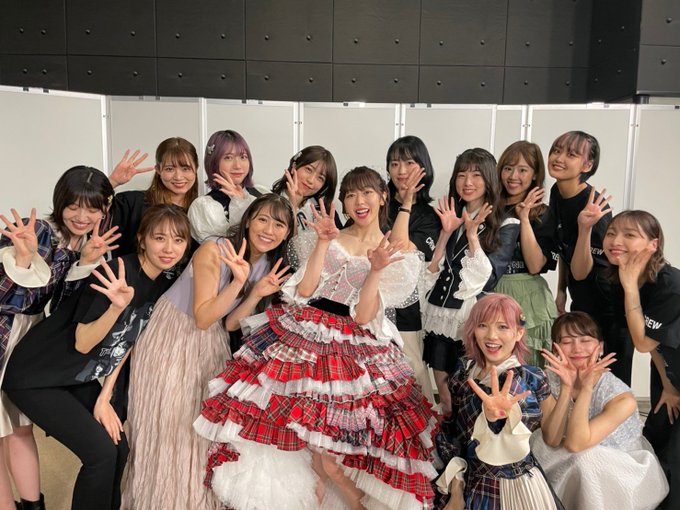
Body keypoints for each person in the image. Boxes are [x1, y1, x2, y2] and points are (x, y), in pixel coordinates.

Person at [193, 167, 439, 509]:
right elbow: (306, 290)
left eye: (367, 193)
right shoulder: (329, 234)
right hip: (304, 331)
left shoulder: (392, 249)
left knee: (335, 457)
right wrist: (323, 242)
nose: (359, 201)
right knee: (302, 440)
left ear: (383, 196)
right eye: (350, 195)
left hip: (353, 347)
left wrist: (376, 269)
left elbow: (364, 315)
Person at [2, 205, 191, 510]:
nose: (169, 248)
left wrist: (105, 398)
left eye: (178, 240)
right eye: (160, 238)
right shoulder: (115, 273)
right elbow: (83, 342)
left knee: (118, 449)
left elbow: (128, 341)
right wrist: (116, 308)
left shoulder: (162, 282)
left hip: (74, 376)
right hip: (35, 376)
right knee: (100, 455)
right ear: (142, 239)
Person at [121, 194, 294, 510]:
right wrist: (238, 282)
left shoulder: (265, 264)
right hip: (173, 335)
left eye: (279, 224)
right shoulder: (215, 249)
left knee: (202, 432)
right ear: (248, 220)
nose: (269, 230)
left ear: (287, 233)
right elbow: (202, 316)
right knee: (170, 427)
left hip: (212, 340)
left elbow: (230, 323)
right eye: (263, 219)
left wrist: (255, 292)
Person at [0, 166, 118, 510]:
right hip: (5, 329)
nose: (82, 216)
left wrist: (85, 263)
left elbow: (62, 308)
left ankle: (33, 505)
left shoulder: (85, 242)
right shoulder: (35, 230)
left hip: (29, 335)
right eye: (73, 206)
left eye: (92, 209)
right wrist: (23, 261)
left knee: (20, 427)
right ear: (60, 202)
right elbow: (7, 298)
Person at [434, 293, 561, 510]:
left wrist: (494, 419)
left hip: (511, 491)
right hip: (467, 481)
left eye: (503, 327)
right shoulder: (464, 369)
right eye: (483, 325)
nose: (491, 336)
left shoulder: (526, 379)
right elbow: (456, 435)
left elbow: (539, 440)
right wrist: (456, 486)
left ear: (519, 333)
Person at [531, 311, 668, 510]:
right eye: (567, 341)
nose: (577, 348)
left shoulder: (621, 397)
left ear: (601, 347)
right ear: (555, 348)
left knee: (586, 460)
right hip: (564, 453)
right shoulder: (547, 380)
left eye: (586, 340)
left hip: (616, 465)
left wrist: (586, 388)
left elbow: (576, 445)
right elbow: (552, 439)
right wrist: (566, 388)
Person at [422, 148, 519, 416]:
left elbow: (488, 278)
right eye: (461, 175)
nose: (467, 182)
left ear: (489, 180)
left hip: (473, 319)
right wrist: (446, 232)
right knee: (444, 396)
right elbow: (431, 271)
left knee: (472, 395)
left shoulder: (506, 223)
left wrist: (473, 235)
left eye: (476, 175)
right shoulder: (449, 215)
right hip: (439, 315)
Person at [603, 210, 680, 509]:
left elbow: (643, 341)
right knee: (657, 438)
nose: (616, 241)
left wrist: (630, 288)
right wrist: (668, 386)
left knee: (674, 455)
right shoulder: (622, 277)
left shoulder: (670, 285)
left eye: (629, 235)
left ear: (653, 244)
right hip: (670, 374)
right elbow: (655, 347)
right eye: (611, 233)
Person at [546, 132, 623, 380]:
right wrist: (561, 291)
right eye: (556, 150)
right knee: (579, 378)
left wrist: (584, 228)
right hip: (582, 301)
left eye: (571, 154)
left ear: (587, 165)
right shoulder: (558, 192)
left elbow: (581, 271)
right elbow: (564, 248)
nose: (559, 158)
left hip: (608, 307)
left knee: (609, 381)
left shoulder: (594, 208)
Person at [384, 135, 441, 403]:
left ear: (423, 167)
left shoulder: (429, 217)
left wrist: (407, 203)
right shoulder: (375, 203)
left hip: (406, 309)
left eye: (409, 163)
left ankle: (424, 428)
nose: (401, 171)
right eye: (395, 163)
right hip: (369, 305)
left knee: (412, 371)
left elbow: (400, 249)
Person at [495, 141, 558, 367]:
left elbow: (535, 265)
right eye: (508, 168)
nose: (513, 176)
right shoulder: (490, 208)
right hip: (493, 292)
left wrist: (524, 218)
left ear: (534, 175)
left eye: (522, 170)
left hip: (529, 299)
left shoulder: (544, 213)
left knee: (531, 370)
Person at [108, 139, 199, 258]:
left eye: (185, 169)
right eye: (169, 169)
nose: (178, 177)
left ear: (196, 168)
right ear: (158, 170)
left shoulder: (201, 213)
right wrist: (112, 182)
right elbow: (92, 215)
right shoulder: (132, 203)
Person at [188, 130, 261, 243]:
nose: (237, 165)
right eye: (228, 157)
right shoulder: (203, 206)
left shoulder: (261, 194)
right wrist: (239, 205)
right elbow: (224, 246)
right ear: (214, 162)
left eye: (243, 157)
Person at [271, 145, 340, 233]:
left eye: (320, 178)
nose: (310, 180)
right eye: (308, 169)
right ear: (294, 167)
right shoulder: (268, 203)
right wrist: (293, 206)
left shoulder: (327, 213)